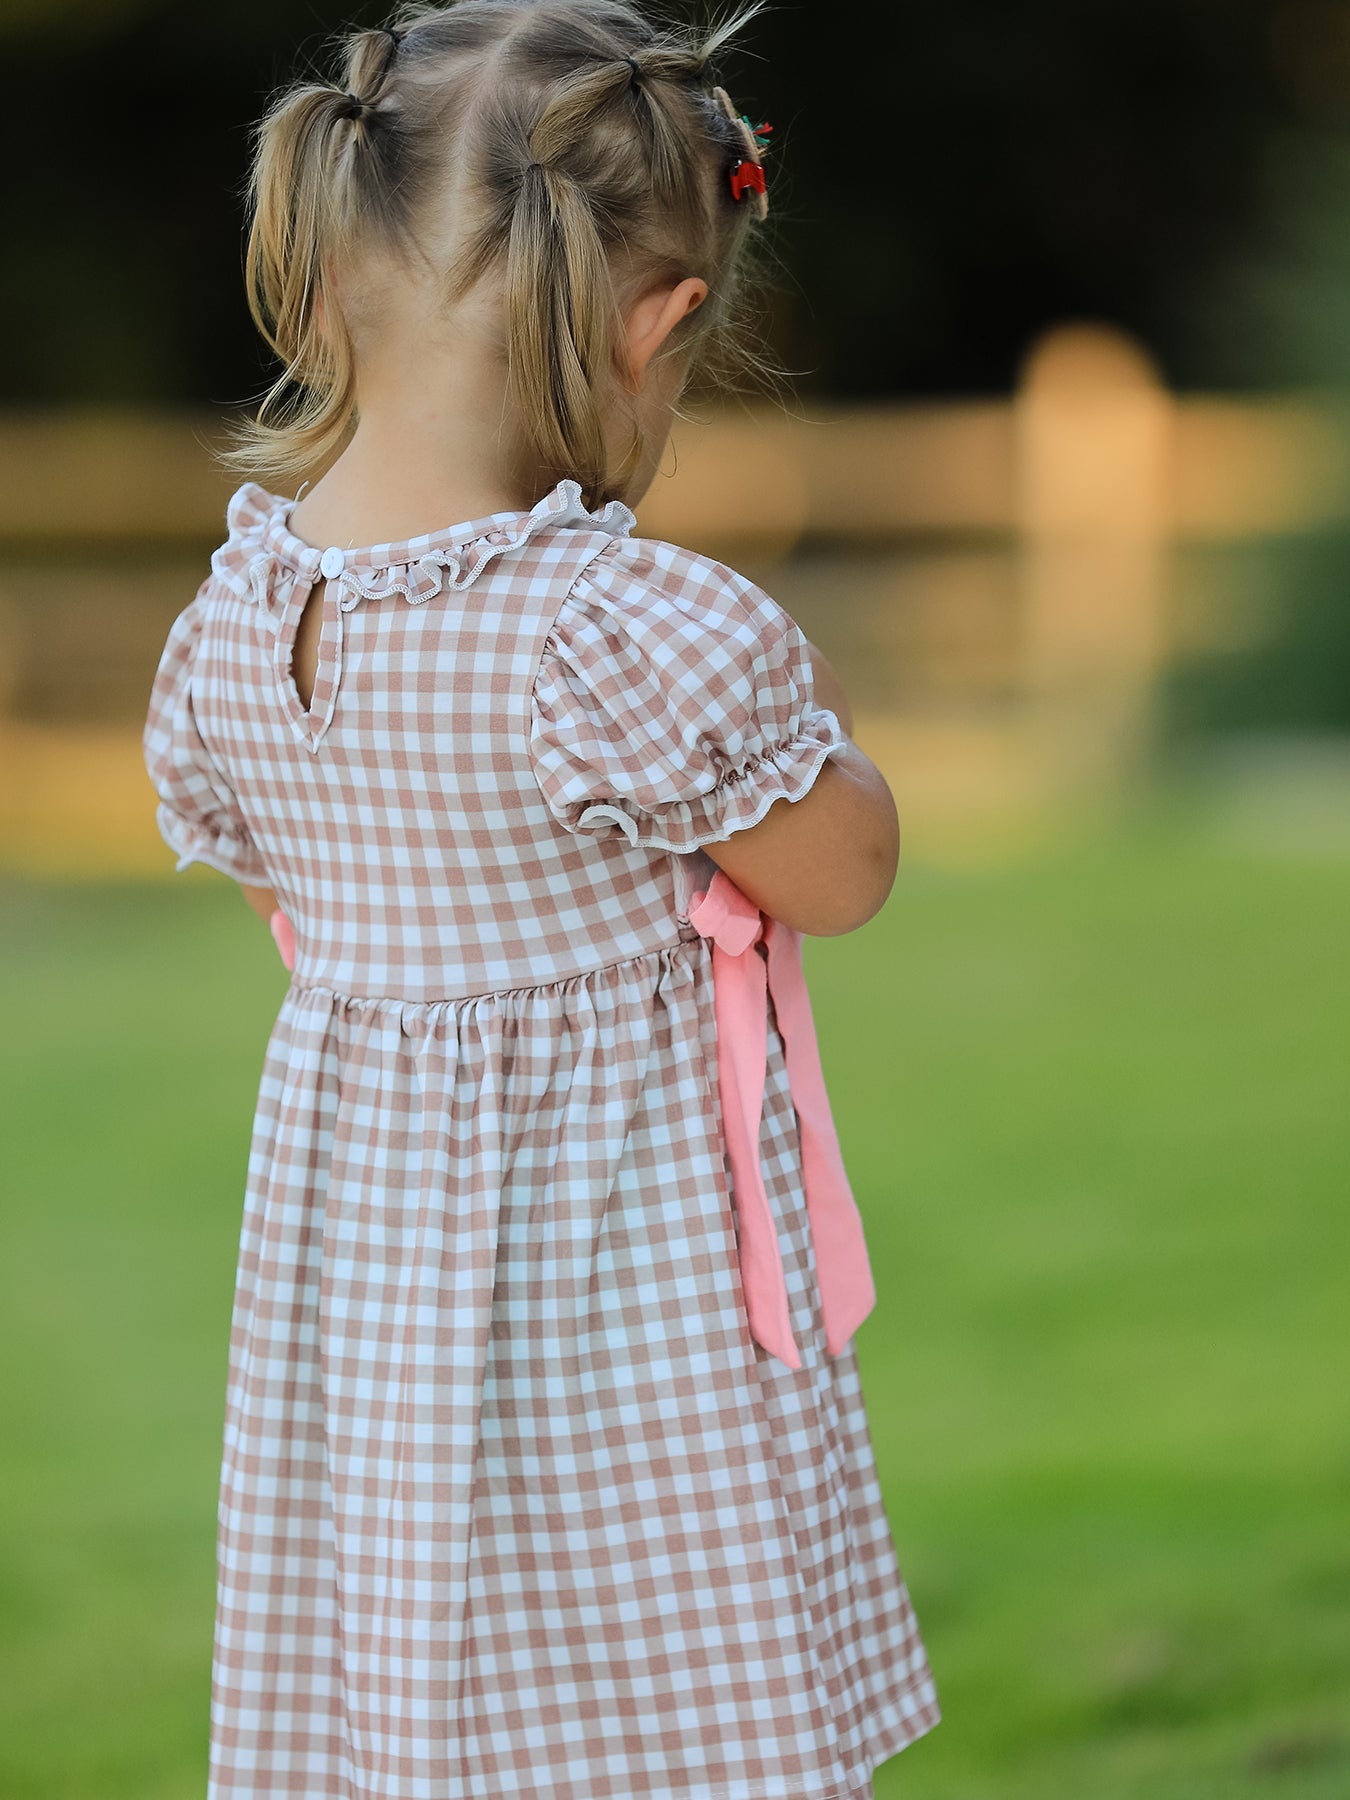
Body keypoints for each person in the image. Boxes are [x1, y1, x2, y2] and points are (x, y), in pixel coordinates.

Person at [141, 4, 940, 1795]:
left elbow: (284, 881)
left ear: (327, 280)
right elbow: (842, 865)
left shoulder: (236, 637)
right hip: (613, 1290)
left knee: (439, 1668)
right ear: (655, 322)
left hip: (374, 1310)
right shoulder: (614, 628)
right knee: (657, 1688)